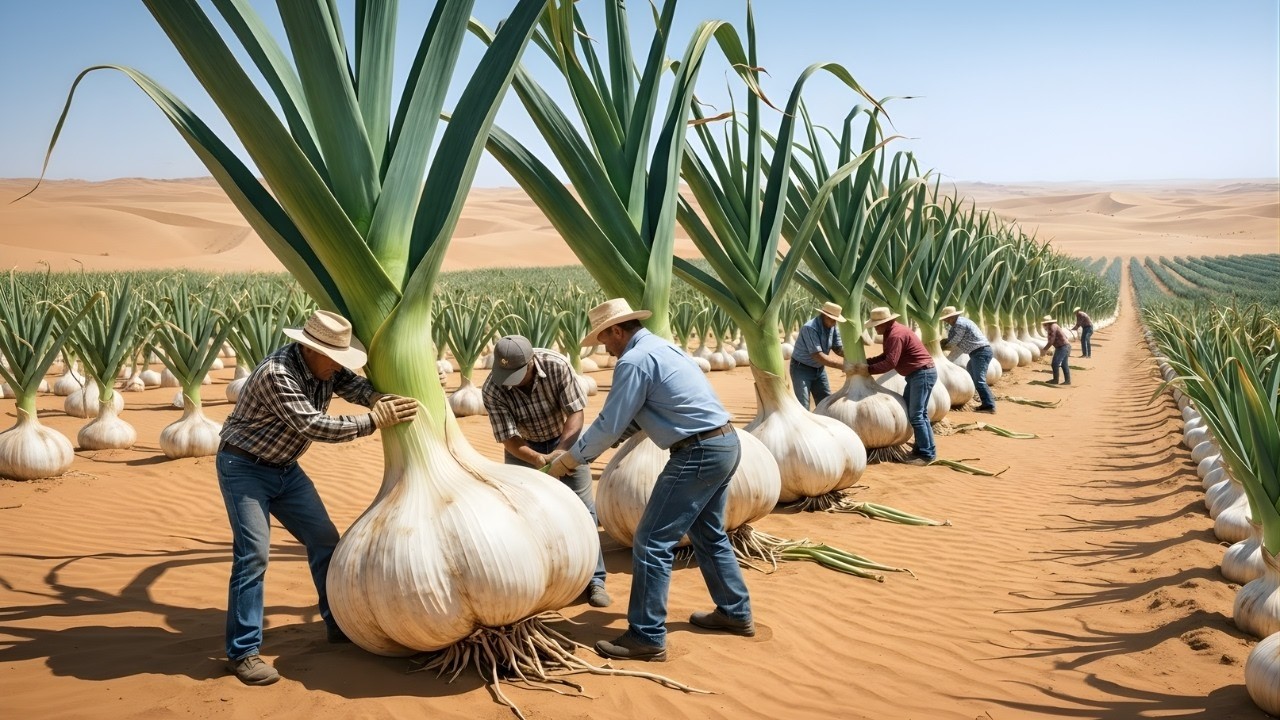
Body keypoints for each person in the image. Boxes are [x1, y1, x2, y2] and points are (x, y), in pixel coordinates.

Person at [216, 310, 418, 686]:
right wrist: (376, 421)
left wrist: (379, 397)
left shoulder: (326, 366)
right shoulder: (277, 374)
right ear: (310, 349)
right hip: (244, 468)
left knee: (325, 540)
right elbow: (315, 425)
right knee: (253, 556)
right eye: (334, 358)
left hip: (285, 469)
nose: (338, 366)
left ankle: (338, 623)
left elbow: (352, 386)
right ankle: (242, 653)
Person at [546, 299, 752, 662]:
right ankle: (734, 612)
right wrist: (591, 447)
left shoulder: (634, 360)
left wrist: (569, 461)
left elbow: (610, 423)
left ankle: (646, 635)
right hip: (724, 442)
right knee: (708, 533)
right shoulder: (663, 348)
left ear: (617, 330)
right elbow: (634, 418)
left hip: (697, 452)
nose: (605, 347)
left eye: (604, 339)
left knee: (652, 541)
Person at [481, 334, 611, 608]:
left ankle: (595, 580)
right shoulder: (493, 387)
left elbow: (575, 412)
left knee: (583, 508)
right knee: (523, 513)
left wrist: (562, 451)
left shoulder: (556, 365)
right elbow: (508, 437)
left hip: (565, 438)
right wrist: (537, 458)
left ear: (531, 362)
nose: (510, 381)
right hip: (523, 449)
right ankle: (537, 578)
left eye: (516, 373)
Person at [853, 307, 936, 466]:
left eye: (877, 324)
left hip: (922, 374)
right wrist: (866, 362)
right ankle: (922, 449)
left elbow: (891, 362)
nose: (876, 328)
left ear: (886, 322)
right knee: (918, 414)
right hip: (918, 374)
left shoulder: (895, 335)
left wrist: (867, 370)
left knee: (917, 415)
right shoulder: (891, 332)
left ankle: (926, 454)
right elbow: (886, 356)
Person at [939, 305, 996, 414]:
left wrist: (942, 346)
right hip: (977, 353)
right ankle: (983, 402)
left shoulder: (960, 324)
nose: (945, 321)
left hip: (981, 352)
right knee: (971, 372)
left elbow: (955, 341)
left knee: (979, 380)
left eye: (946, 318)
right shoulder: (959, 323)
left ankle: (990, 406)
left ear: (952, 317)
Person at [788, 302, 846, 409]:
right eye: (832, 319)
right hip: (801, 369)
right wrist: (843, 365)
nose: (834, 323)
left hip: (819, 369)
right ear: (825, 316)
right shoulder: (810, 328)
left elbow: (837, 347)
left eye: (836, 320)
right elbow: (817, 356)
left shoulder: (833, 326)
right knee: (803, 404)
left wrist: (850, 356)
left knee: (825, 402)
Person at [1041, 315, 1072, 385]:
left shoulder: (1052, 327)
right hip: (1065, 346)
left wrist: (1044, 350)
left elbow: (1051, 341)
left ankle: (1056, 380)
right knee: (1064, 364)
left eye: (1044, 324)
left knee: (1055, 364)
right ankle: (1067, 381)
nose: (1043, 326)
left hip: (1062, 347)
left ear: (1046, 323)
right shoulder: (1054, 326)